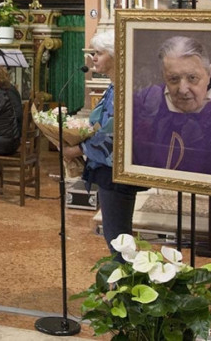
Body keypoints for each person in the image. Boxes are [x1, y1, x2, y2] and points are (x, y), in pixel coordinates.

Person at [62, 30, 141, 255]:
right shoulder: (115, 86)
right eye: (93, 53)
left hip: (115, 170)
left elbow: (113, 135)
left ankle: (125, 276)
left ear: (116, 55)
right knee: (115, 235)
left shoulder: (124, 89)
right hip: (109, 169)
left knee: (118, 237)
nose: (93, 58)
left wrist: (77, 149)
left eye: (99, 53)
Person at [132, 36, 211, 178]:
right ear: (163, 76)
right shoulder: (142, 103)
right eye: (173, 79)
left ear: (209, 73)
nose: (183, 89)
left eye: (192, 78)